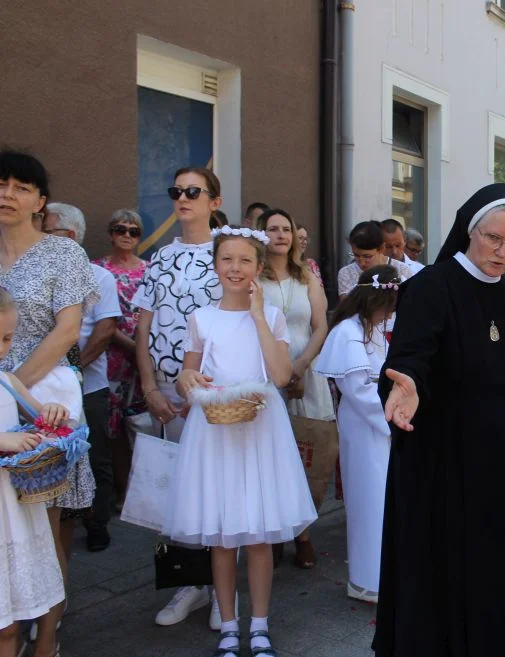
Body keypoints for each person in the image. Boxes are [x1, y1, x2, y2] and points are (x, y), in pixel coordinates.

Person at [373, 183, 505, 657]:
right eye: (494, 239)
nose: (503, 252)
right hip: (439, 463)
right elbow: (409, 359)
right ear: (471, 230)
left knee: (494, 576)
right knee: (438, 574)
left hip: (498, 465)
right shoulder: (429, 287)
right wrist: (404, 390)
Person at [165, 225, 317, 657]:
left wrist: (256, 316)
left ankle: (261, 625)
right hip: (215, 431)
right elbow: (186, 378)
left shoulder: (269, 317)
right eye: (227, 259)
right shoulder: (202, 317)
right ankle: (229, 626)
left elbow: (282, 375)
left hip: (258, 430)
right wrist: (186, 379)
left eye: (245, 260)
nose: (235, 268)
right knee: (223, 535)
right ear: (216, 265)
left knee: (257, 535)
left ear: (258, 267)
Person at [0, 150, 97, 657]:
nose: (7, 193)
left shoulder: (63, 254)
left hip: (45, 403)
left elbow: (68, 329)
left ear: (40, 200)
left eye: (20, 186)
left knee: (48, 525)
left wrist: (10, 386)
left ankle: (48, 635)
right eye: (1, 184)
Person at [132, 166, 223, 628]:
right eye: (176, 192)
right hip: (167, 394)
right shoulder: (160, 258)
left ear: (214, 200)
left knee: (218, 490)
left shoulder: (229, 254)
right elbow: (143, 326)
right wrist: (149, 388)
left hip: (214, 393)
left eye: (193, 191)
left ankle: (225, 592)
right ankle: (192, 584)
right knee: (178, 495)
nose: (182, 198)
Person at [315, 265, 400, 603]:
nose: (390, 312)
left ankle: (386, 574)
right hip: (367, 425)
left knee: (384, 502)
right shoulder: (347, 332)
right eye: (386, 303)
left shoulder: (375, 327)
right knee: (369, 501)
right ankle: (366, 580)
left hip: (383, 422)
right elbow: (358, 389)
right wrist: (393, 421)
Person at [257, 208, 334, 568]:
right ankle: (274, 533)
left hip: (307, 375)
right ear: (261, 235)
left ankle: (302, 534)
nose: (280, 235)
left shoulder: (308, 278)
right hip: (267, 374)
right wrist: (282, 371)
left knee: (309, 455)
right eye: (272, 229)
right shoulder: (254, 278)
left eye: (286, 229)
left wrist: (300, 366)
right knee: (272, 457)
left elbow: (320, 326)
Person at [44, 203, 123, 552]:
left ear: (70, 236)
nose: (42, 239)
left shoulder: (100, 277)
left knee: (96, 457)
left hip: (88, 386)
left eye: (48, 232)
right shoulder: (41, 276)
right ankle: (59, 520)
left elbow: (105, 329)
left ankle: (97, 522)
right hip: (44, 388)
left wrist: (74, 371)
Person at [0, 286, 70, 657]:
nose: (1, 347)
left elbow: (45, 420)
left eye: (8, 337)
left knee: (9, 627)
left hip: (14, 514)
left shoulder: (7, 382)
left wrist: (54, 413)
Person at [93, 209, 148, 505]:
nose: (126, 235)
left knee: (142, 425)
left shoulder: (149, 270)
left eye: (133, 230)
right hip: (111, 356)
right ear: (111, 233)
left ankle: (142, 493)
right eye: (120, 229)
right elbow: (99, 320)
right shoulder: (97, 270)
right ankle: (121, 492)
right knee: (111, 428)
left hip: (142, 360)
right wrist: (130, 346)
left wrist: (142, 350)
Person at [336, 221, 412, 300]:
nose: (361, 263)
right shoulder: (346, 273)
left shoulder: (403, 270)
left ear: (382, 248)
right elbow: (347, 308)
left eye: (367, 256)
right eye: (356, 255)